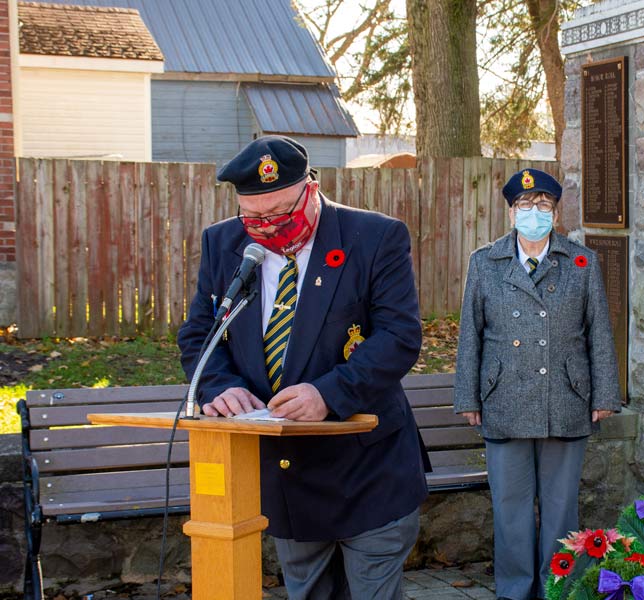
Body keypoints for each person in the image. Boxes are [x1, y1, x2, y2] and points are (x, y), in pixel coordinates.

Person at [177, 135, 428, 600]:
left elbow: (398, 337)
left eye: (280, 214)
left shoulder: (374, 237)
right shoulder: (224, 243)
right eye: (254, 218)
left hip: (367, 469)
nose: (268, 228)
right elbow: (199, 335)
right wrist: (219, 385)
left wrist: (328, 393)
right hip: (287, 474)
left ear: (311, 190)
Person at [453, 168, 621, 600]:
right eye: (525, 205)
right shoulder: (484, 262)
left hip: (564, 399)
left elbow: (599, 332)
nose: (534, 212)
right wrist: (468, 397)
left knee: (561, 508)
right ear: (511, 213)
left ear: (556, 213)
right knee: (510, 508)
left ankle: (558, 588)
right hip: (504, 400)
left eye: (543, 205)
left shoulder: (581, 262)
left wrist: (604, 394)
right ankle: (514, 591)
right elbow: (470, 335)